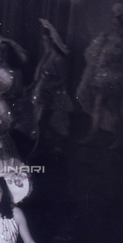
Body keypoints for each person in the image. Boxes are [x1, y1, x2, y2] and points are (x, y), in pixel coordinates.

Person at [76, 4, 123, 148]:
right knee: (98, 105)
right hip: (102, 77)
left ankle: (119, 137)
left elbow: (122, 63)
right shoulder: (106, 37)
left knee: (114, 108)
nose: (114, 26)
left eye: (117, 24)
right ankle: (92, 134)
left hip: (114, 79)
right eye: (113, 23)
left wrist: (110, 59)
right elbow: (94, 54)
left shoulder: (122, 43)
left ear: (121, 27)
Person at [27, 18, 74, 152]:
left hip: (51, 95)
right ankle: (37, 146)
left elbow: (63, 79)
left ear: (53, 41)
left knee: (48, 123)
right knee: (37, 120)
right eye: (43, 40)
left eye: (47, 41)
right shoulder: (46, 55)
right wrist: (32, 87)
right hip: (40, 92)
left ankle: (43, 148)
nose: (44, 43)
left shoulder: (59, 59)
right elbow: (39, 74)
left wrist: (48, 88)